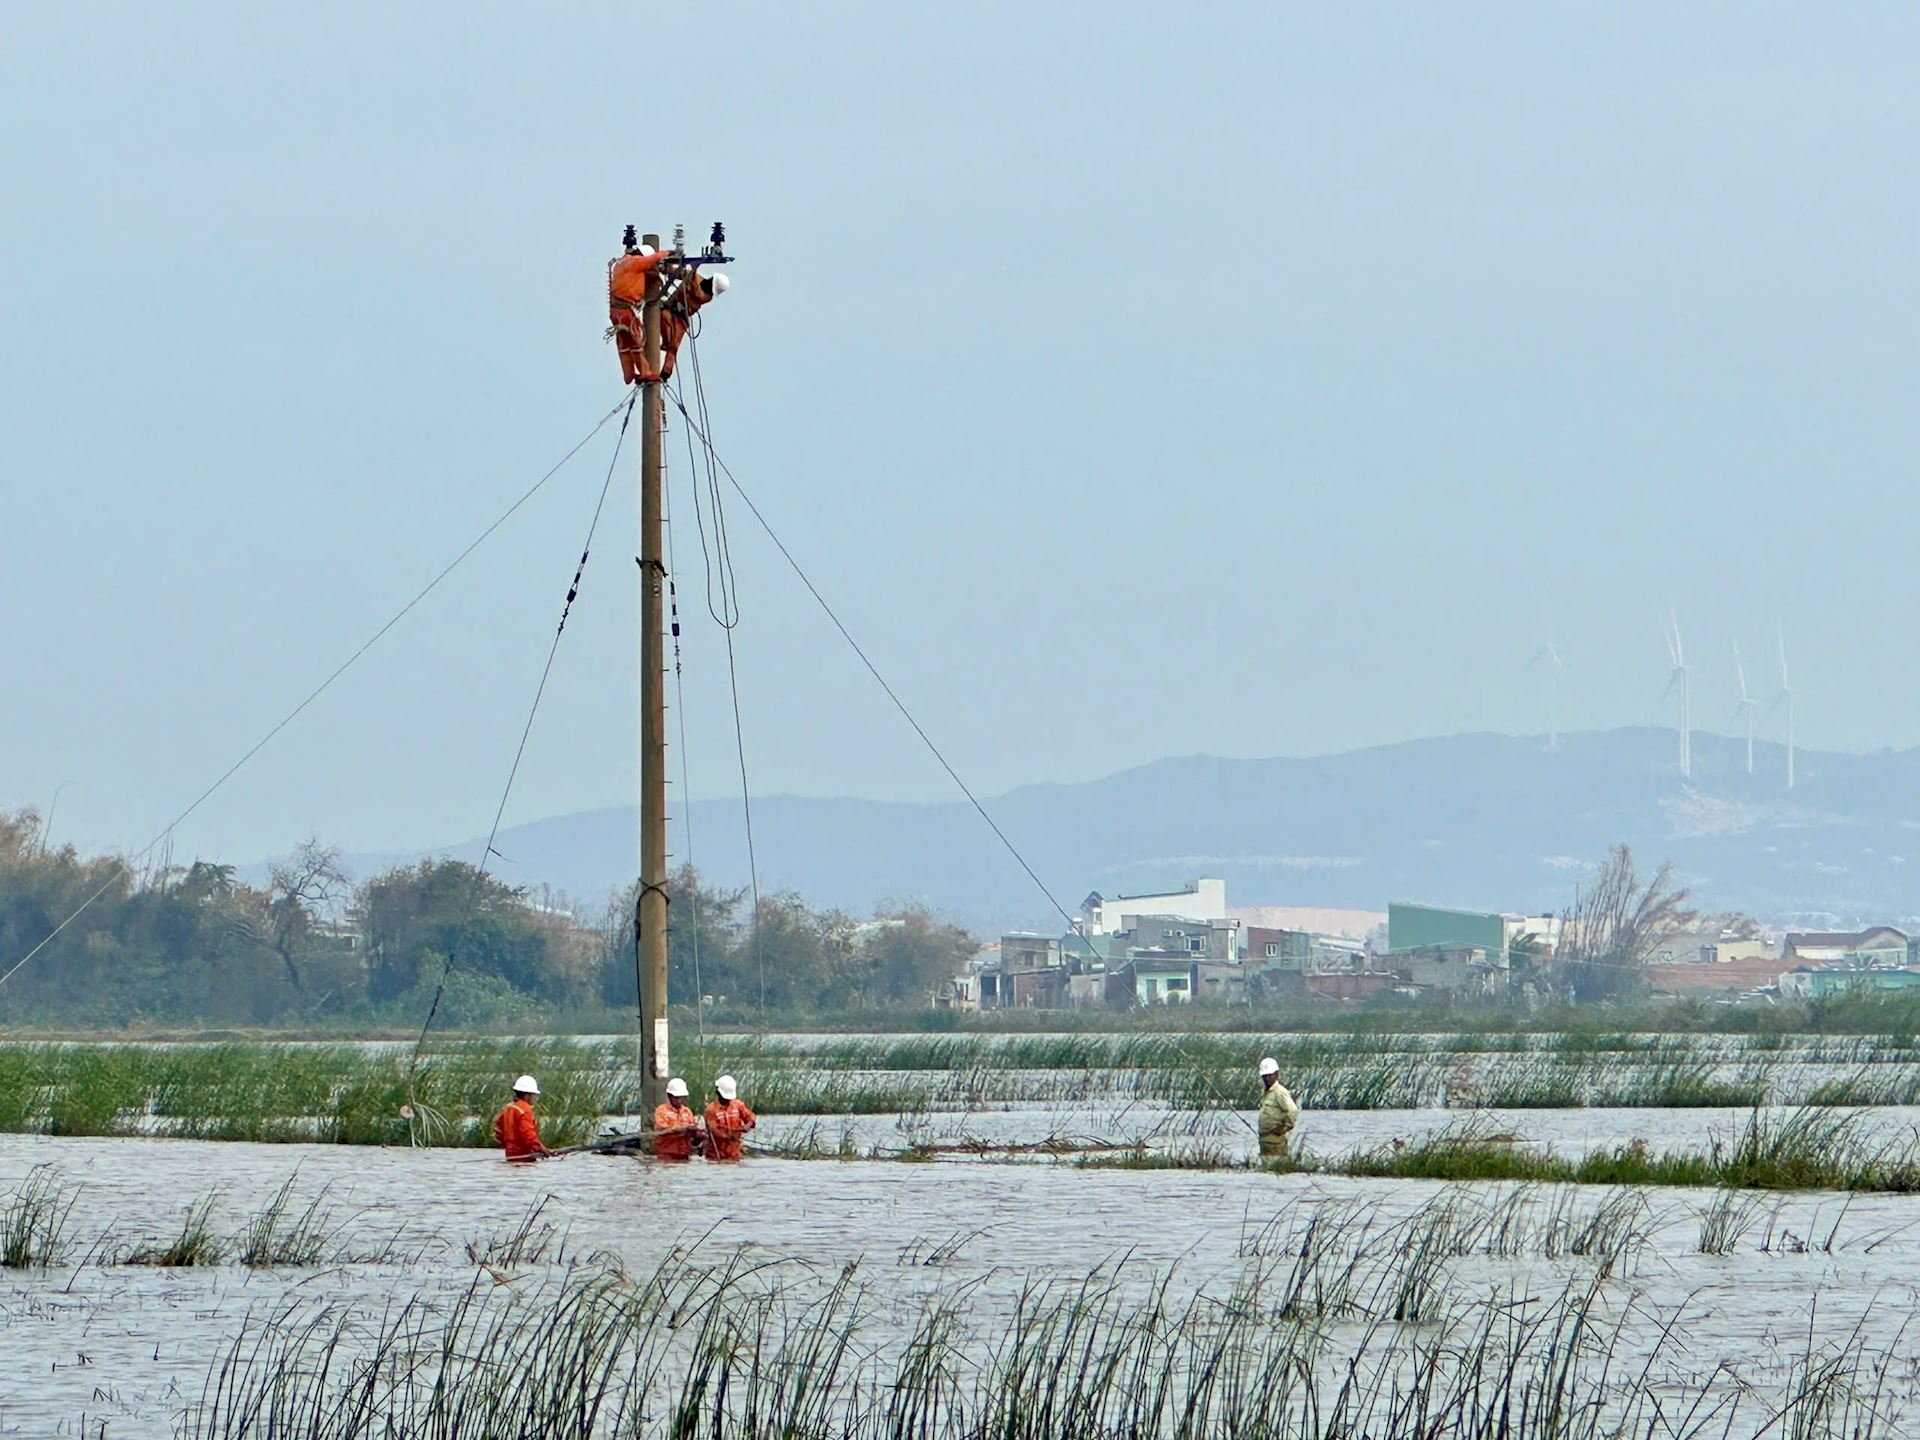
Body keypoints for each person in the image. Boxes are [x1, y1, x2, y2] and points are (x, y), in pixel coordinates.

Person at [493, 1075, 550, 1164]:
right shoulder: (525, 1110)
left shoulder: (508, 1108)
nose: (533, 1098)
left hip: (510, 1156)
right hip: (524, 1158)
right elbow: (529, 1136)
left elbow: (498, 1132)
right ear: (527, 1095)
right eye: (532, 1095)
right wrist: (544, 1150)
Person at [702, 1074, 757, 1161]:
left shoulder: (738, 1105)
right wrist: (732, 1134)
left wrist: (747, 1125)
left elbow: (751, 1117)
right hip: (716, 1155)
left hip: (735, 1154)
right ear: (718, 1092)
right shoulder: (711, 1110)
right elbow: (714, 1130)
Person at [1257, 1057, 1300, 1160]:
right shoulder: (1266, 1092)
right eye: (1264, 1076)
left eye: (1269, 1075)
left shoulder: (1279, 1092)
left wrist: (1283, 1128)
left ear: (1276, 1074)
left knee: (1277, 1165)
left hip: (1276, 1142)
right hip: (1264, 1140)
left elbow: (1293, 1110)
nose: (1267, 1079)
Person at [652, 1077, 703, 1162]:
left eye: (681, 1098)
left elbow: (693, 1132)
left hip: (684, 1154)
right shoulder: (661, 1111)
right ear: (669, 1096)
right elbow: (661, 1129)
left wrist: (699, 1134)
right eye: (676, 1098)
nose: (679, 1101)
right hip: (667, 1154)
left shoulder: (687, 1112)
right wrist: (683, 1128)